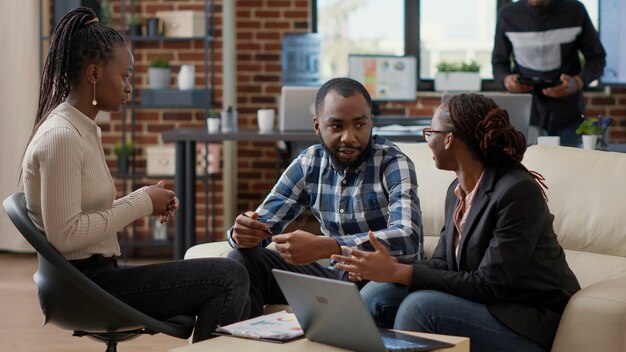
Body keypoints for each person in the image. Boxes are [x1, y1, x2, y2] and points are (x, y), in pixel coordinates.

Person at [20, 7, 249, 342]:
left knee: (232, 272)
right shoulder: (63, 137)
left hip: (97, 276)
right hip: (85, 285)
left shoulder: (81, 129)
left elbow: (82, 217)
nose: (130, 86)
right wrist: (141, 202)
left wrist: (144, 198)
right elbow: (65, 236)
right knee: (230, 276)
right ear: (95, 74)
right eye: (125, 76)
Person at [331, 94, 581, 351]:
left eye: (430, 132)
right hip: (484, 303)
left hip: (527, 318)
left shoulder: (517, 191)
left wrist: (399, 272)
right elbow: (444, 263)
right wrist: (388, 267)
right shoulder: (457, 190)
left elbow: (490, 284)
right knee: (377, 293)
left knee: (420, 308)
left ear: (449, 139)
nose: (427, 141)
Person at [227, 77, 423, 318]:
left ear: (371, 122)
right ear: (317, 126)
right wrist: (243, 234)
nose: (349, 137)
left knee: (374, 295)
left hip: (383, 278)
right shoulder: (308, 163)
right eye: (337, 126)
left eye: (360, 125)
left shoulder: (394, 163)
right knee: (241, 259)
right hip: (335, 276)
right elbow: (262, 225)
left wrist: (332, 246)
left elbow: (408, 237)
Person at [492, 0, 606, 146]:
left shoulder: (575, 10)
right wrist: (507, 80)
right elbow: (498, 63)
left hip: (568, 111)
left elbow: (597, 58)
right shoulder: (507, 15)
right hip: (527, 113)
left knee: (569, 164)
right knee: (526, 165)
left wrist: (578, 82)